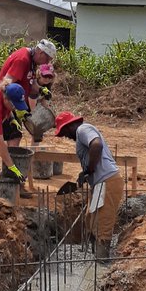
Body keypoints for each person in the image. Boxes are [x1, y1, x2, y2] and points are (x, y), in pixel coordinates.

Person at [54, 111, 123, 260]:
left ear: (70, 125)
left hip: (108, 181)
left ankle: (101, 263)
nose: (65, 136)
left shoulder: (82, 129)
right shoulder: (81, 133)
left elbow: (96, 145)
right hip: (99, 184)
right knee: (91, 219)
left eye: (64, 132)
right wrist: (85, 173)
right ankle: (94, 258)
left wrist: (89, 169)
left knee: (102, 223)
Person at [0, 39, 58, 144]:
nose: (47, 62)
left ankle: (11, 160)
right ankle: (11, 160)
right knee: (14, 137)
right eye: (47, 58)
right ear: (41, 52)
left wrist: (40, 89)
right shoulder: (22, 59)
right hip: (6, 102)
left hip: (16, 103)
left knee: (16, 136)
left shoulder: (32, 61)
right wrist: (13, 110)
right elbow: (5, 85)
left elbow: (31, 82)